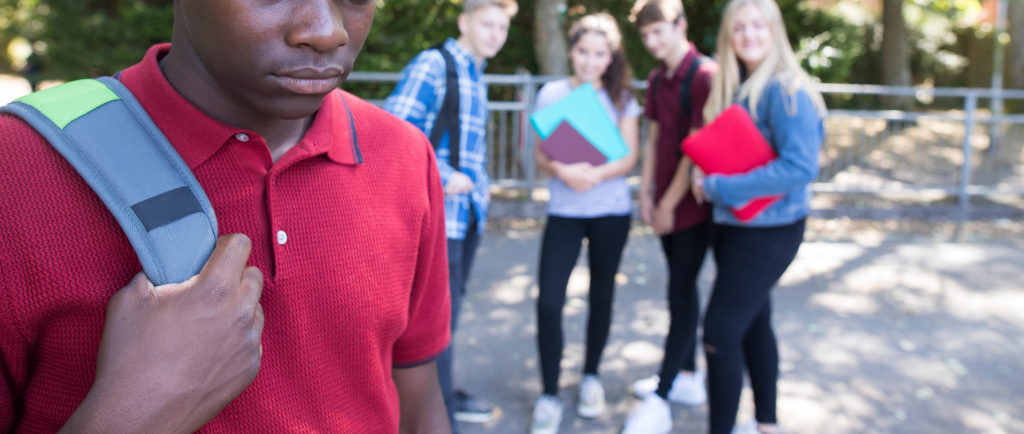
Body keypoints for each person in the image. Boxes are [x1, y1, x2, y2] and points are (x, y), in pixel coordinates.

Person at [0, 2, 452, 433]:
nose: (325, 30)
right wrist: (137, 411)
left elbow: (418, 404)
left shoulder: (405, 156)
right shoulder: (16, 168)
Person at [383, 0, 518, 430]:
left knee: (445, 319)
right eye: (488, 24)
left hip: (466, 217)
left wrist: (480, 184)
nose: (496, 33)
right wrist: (443, 176)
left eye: (502, 26)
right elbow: (395, 128)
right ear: (464, 22)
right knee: (432, 324)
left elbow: (463, 145)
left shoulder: (475, 73)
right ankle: (433, 419)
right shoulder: (435, 64)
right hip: (439, 218)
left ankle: (442, 398)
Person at [693, 0, 827, 432]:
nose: (748, 35)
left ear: (774, 30)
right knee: (753, 321)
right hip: (735, 226)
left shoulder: (787, 89)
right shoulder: (740, 84)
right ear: (728, 36)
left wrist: (718, 187)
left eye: (758, 25)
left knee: (719, 333)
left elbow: (800, 166)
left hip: (769, 230)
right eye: (739, 28)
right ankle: (766, 423)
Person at [528, 13, 641, 434]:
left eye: (599, 53)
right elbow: (542, 155)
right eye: (583, 51)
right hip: (565, 211)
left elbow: (629, 157)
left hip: (611, 211)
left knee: (602, 295)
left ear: (610, 57)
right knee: (549, 302)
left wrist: (590, 175)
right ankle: (549, 393)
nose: (590, 60)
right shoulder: (552, 93)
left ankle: (591, 375)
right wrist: (564, 172)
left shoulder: (622, 97)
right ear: (572, 50)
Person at [622, 1, 718, 432]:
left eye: (660, 32)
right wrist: (645, 193)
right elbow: (656, 133)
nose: (653, 42)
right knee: (682, 291)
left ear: (681, 25)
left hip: (693, 208)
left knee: (680, 296)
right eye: (646, 35)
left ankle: (661, 397)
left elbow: (696, 147)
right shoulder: (659, 77)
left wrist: (667, 203)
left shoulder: (704, 76)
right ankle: (688, 376)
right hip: (663, 200)